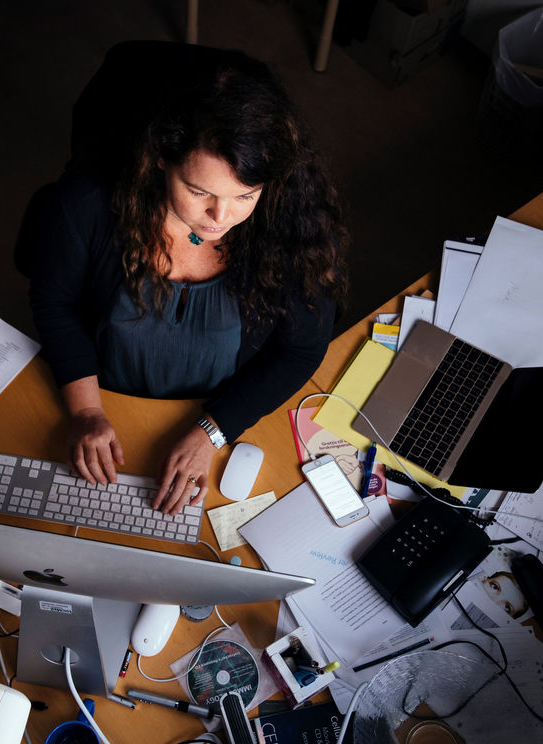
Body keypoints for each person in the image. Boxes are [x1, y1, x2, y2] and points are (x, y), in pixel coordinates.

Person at [28, 46, 348, 516]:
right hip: (105, 395)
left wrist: (212, 432)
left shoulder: (294, 225)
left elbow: (299, 349)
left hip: (219, 411)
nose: (222, 217)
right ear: (160, 158)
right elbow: (55, 303)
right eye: (199, 192)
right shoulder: (88, 202)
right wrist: (85, 412)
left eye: (246, 195)